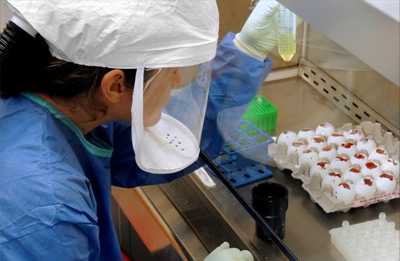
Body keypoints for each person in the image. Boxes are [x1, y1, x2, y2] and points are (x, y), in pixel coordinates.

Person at [0, 0, 276, 260]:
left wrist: (248, 48)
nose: (179, 80)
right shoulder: (45, 213)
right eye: (171, 71)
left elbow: (168, 141)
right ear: (115, 86)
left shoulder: (71, 106)